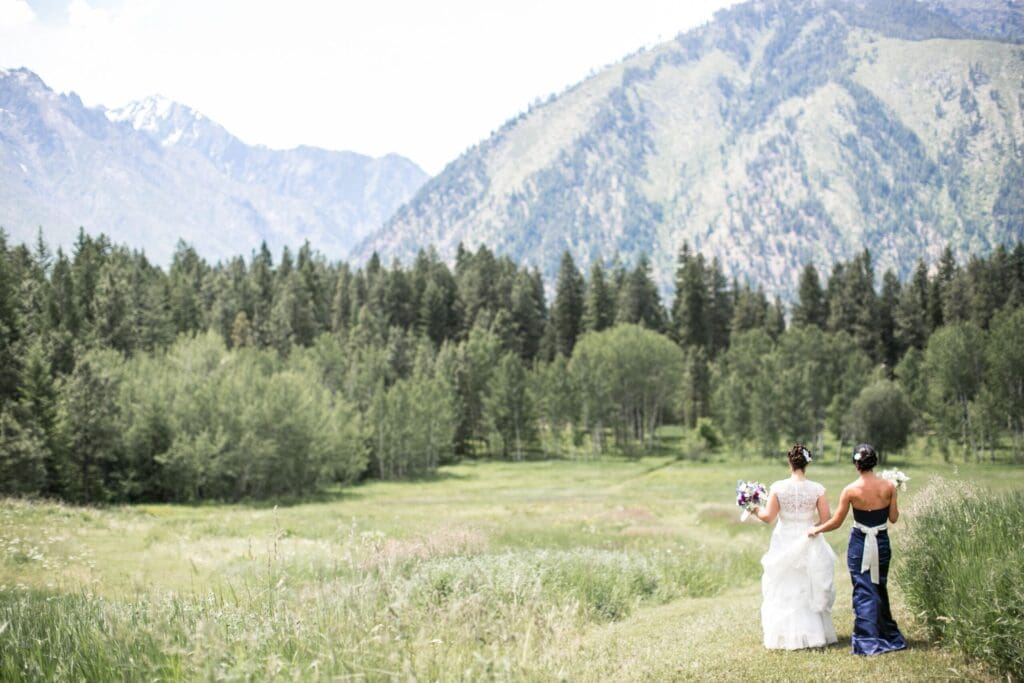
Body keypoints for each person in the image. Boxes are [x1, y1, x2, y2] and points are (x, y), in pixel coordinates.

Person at [809, 443, 907, 656]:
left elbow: (836, 522)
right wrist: (893, 496)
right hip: (880, 543)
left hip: (859, 544)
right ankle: (886, 635)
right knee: (879, 587)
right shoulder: (889, 487)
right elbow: (893, 518)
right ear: (874, 462)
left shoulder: (851, 490)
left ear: (856, 464)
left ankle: (866, 640)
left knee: (863, 588)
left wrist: (816, 529)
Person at [752, 443, 838, 649]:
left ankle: (784, 635)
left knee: (785, 584)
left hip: (784, 540)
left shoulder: (779, 487)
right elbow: (826, 519)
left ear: (789, 462)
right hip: (809, 539)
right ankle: (815, 634)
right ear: (807, 463)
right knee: (808, 584)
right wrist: (812, 529)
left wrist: (753, 508)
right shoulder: (817, 489)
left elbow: (769, 517)